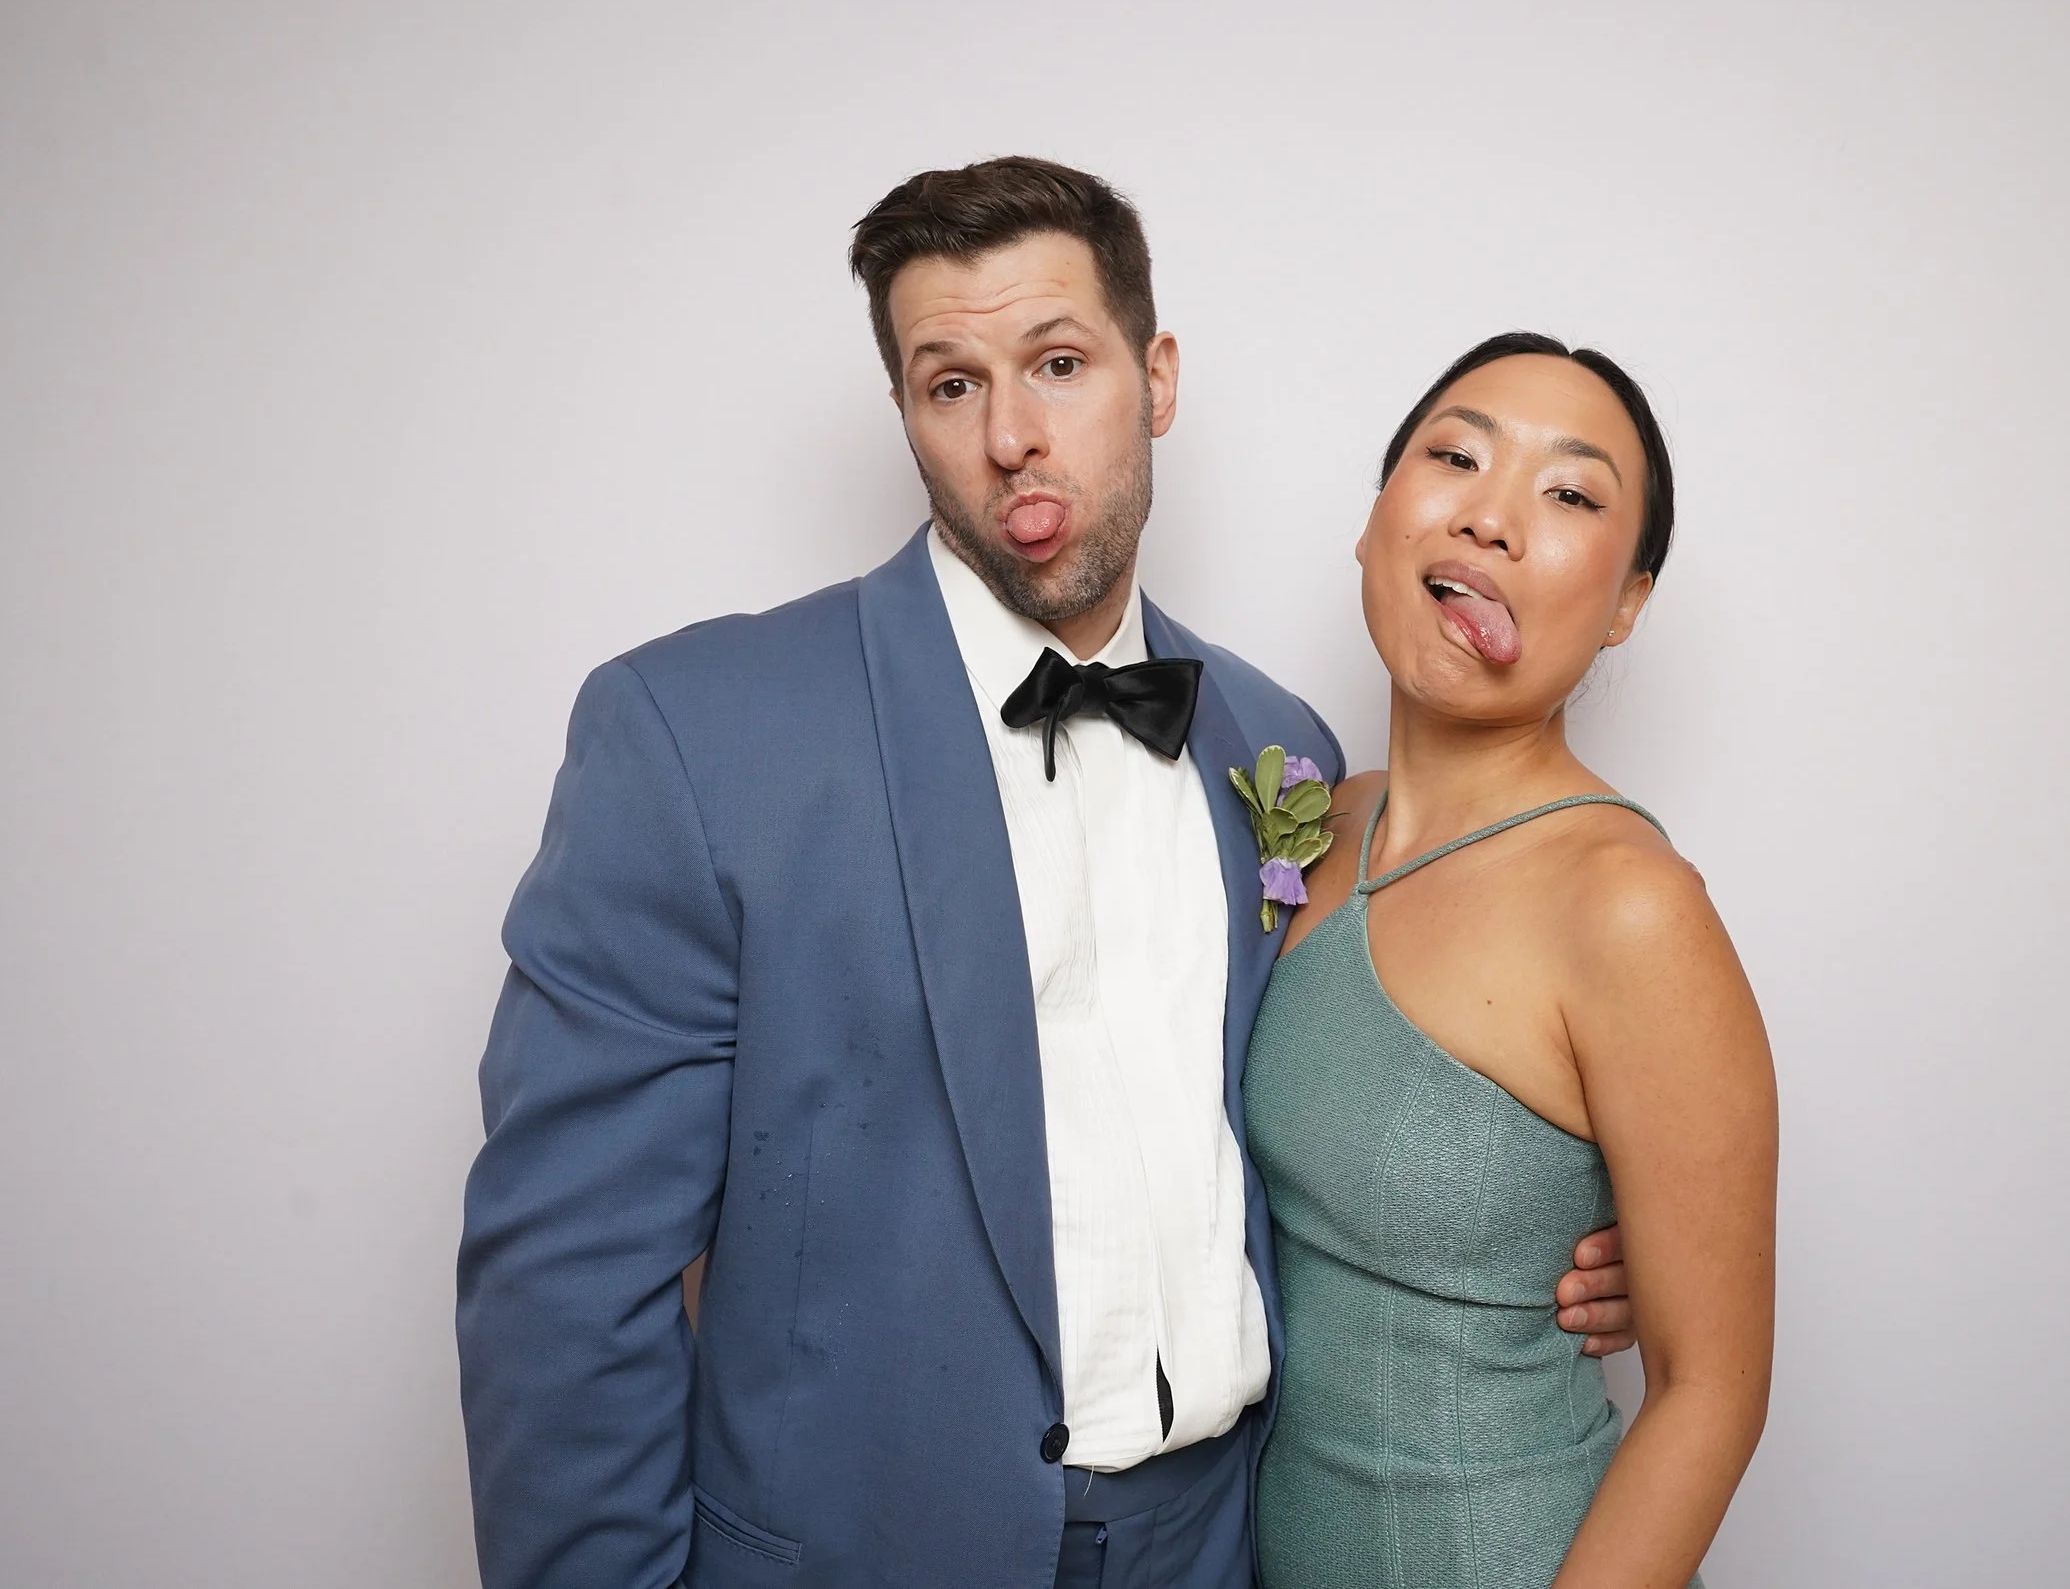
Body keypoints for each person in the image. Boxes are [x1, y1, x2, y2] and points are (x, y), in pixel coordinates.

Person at [454, 159, 1640, 1589]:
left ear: (1157, 377)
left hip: (1230, 1539)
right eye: (951, 384)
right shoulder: (697, 732)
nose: (1013, 433)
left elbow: (1346, 1107)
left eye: (1059, 364)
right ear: (905, 412)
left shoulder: (1278, 748)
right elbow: (565, 1288)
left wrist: (1547, 1233)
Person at [1244, 335, 1779, 1588]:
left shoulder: (1629, 906)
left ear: (1627, 601)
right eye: (1456, 457)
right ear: (1376, 523)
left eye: (1570, 494)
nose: (1490, 518)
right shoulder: (1315, 827)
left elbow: (1713, 1394)